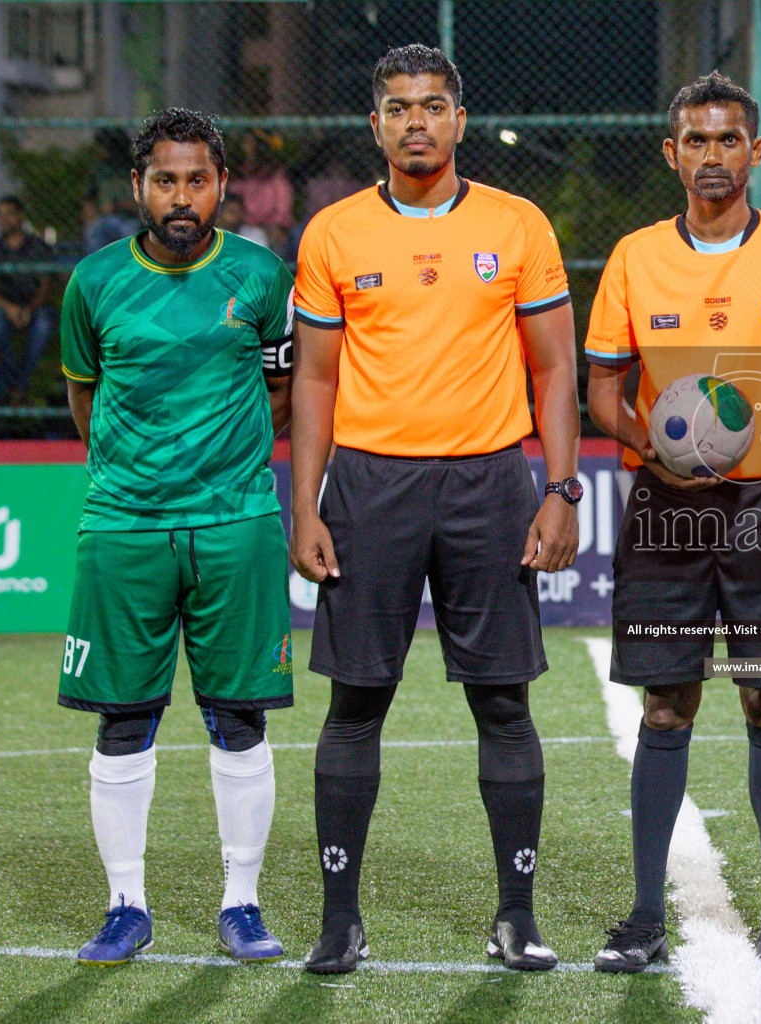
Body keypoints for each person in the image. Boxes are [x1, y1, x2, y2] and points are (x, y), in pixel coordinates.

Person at [290, 44, 580, 974]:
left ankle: (517, 917)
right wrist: (305, 501)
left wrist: (563, 489)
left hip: (488, 485)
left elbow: (554, 368)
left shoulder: (518, 223)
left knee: (504, 702)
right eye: (398, 108)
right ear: (374, 125)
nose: (416, 122)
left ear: (459, 118)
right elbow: (316, 380)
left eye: (433, 106)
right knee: (356, 702)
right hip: (371, 485)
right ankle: (340, 920)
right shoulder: (333, 232)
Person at [584, 70, 761, 976]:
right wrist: (651, 446)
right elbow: (603, 390)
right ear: (672, 153)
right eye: (695, 140)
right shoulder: (633, 258)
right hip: (667, 513)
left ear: (755, 151)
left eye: (728, 139)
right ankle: (644, 917)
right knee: (666, 708)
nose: (711, 156)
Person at [56, 108, 296, 966]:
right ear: (138, 188)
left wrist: (220, 462)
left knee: (239, 718)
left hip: (237, 524)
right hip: (124, 528)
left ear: (222, 186)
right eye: (166, 180)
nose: (182, 196)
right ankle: (127, 905)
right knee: (124, 720)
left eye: (198, 179)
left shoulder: (263, 276)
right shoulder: (91, 282)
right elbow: (86, 401)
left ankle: (243, 902)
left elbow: (282, 388)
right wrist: (138, 471)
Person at [0, 196, 57, 398]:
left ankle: (20, 384)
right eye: (0, 215)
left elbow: (46, 285)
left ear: (19, 216)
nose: (3, 220)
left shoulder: (37, 246)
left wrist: (29, 309)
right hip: (6, 306)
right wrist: (10, 308)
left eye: (8, 214)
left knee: (44, 323)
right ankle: (9, 384)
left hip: (35, 305)